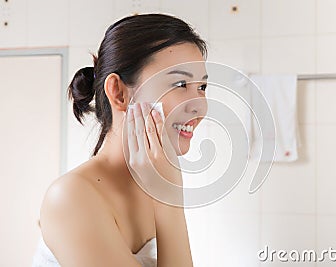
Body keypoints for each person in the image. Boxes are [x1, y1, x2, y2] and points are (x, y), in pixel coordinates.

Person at [32, 13, 208, 267]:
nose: (198, 107)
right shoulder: (71, 197)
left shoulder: (152, 184)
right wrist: (169, 198)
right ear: (118, 93)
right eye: (180, 84)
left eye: (202, 87)